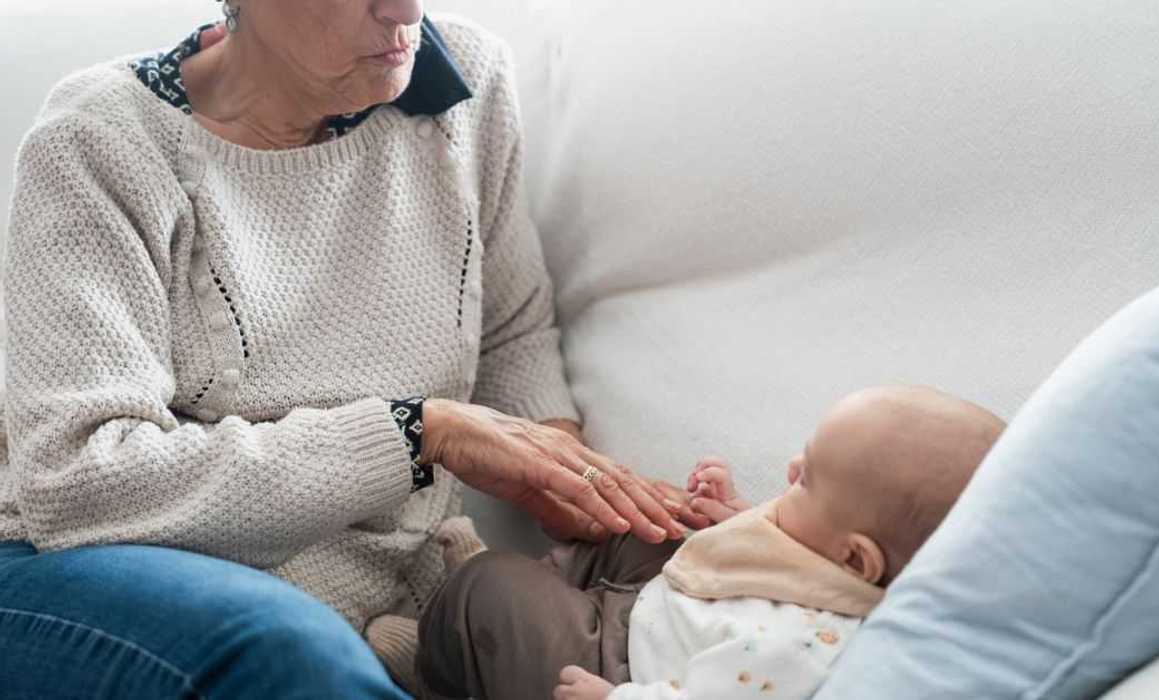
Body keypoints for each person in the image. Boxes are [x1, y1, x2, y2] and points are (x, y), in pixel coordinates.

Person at [0, 1, 690, 696]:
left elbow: (511, 333)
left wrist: (574, 486)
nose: (404, 9)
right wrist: (417, 434)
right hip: (72, 565)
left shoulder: (460, 80)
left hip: (362, 610)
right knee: (292, 649)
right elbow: (77, 482)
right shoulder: (98, 140)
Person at [393, 386, 1006, 699]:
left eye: (809, 478)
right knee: (645, 527)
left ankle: (437, 660)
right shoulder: (837, 558)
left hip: (627, 668)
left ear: (854, 559)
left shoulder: (800, 649)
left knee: (492, 587)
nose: (791, 469)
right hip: (669, 603)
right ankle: (509, 623)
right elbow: (771, 562)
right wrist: (730, 520)